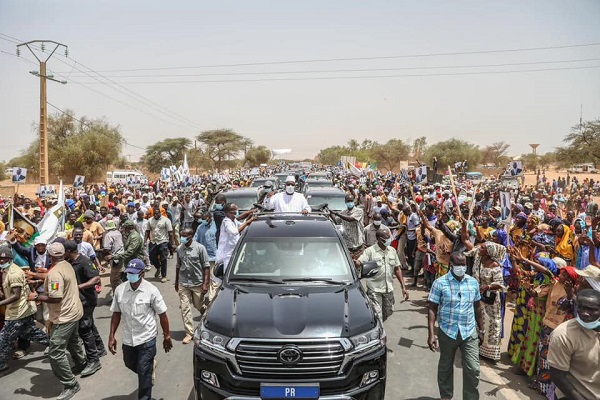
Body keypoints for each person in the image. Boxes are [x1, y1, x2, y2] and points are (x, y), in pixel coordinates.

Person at [108, 258, 172, 400]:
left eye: (134, 273)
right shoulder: (120, 290)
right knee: (129, 363)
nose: (131, 276)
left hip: (146, 338)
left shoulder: (151, 290)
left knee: (143, 372)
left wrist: (167, 336)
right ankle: (149, 370)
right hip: (128, 338)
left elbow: (162, 315)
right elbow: (116, 313)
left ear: (142, 273)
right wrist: (111, 335)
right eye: (129, 273)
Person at [28, 242, 86, 400]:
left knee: (55, 353)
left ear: (51, 256)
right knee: (73, 340)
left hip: (64, 317)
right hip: (74, 312)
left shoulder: (55, 273)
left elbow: (56, 297)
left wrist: (37, 296)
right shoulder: (66, 265)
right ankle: (81, 363)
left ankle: (70, 384)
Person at [427, 251, 484, 400]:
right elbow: (432, 308)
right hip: (447, 331)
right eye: (458, 264)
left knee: (473, 368)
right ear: (451, 265)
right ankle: (446, 396)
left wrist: (481, 329)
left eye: (463, 264)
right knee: (445, 366)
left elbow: (477, 306)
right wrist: (431, 334)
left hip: (468, 331)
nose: (461, 267)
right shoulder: (440, 283)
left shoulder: (473, 282)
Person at [0, 244, 50, 373]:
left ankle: (1, 365)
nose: (1, 261)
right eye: (0, 258)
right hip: (21, 310)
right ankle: (57, 345)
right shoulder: (5, 271)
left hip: (18, 311)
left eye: (4, 259)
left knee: (4, 339)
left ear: (10, 259)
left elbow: (16, 296)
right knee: (31, 332)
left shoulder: (14, 273)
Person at [548, 289, 600, 400]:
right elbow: (558, 376)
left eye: (592, 310)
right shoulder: (563, 335)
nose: (585, 313)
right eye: (581, 308)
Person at [64, 240, 105, 377]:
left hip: (87, 300)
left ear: (69, 251)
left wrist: (78, 287)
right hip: (80, 300)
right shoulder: (70, 262)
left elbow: (96, 279)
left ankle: (94, 360)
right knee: (89, 325)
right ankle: (99, 348)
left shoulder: (83, 261)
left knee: (84, 328)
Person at [355, 230, 408, 322]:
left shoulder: (392, 250)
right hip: (374, 289)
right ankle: (380, 332)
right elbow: (360, 261)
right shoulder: (370, 251)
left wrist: (403, 287)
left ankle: (380, 325)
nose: (389, 239)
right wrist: (356, 262)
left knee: (388, 311)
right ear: (380, 239)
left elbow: (397, 269)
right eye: (387, 237)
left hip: (388, 289)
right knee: (377, 314)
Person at [175, 228, 210, 344]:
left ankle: (204, 310)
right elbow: (178, 266)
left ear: (191, 236)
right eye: (181, 235)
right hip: (184, 283)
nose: (182, 238)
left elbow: (206, 267)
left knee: (198, 304)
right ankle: (189, 333)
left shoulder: (200, 248)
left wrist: (205, 284)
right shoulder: (179, 249)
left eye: (185, 236)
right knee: (185, 308)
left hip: (197, 283)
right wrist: (176, 282)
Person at [215, 203, 255, 277]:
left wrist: (248, 218)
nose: (237, 212)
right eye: (235, 211)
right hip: (226, 255)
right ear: (229, 213)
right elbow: (234, 232)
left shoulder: (234, 221)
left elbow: (242, 227)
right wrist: (247, 222)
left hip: (234, 253)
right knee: (226, 275)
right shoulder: (226, 222)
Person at [145, 202, 174, 283]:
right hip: (153, 241)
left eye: (157, 213)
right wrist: (145, 241)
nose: (155, 215)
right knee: (151, 256)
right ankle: (158, 267)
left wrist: (171, 243)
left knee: (163, 258)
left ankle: (164, 275)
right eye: (154, 213)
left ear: (160, 213)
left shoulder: (166, 220)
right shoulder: (150, 220)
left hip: (163, 241)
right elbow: (147, 231)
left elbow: (170, 232)